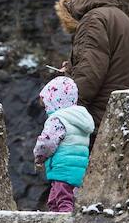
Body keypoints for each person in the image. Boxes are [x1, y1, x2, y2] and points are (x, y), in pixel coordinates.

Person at [54, 0, 129, 132]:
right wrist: (72, 68)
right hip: (123, 115)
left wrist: (68, 111)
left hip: (96, 120)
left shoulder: (94, 20)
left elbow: (89, 73)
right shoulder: (126, 21)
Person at [33, 76, 95, 213]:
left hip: (62, 168)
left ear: (53, 100)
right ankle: (58, 222)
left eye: (46, 104)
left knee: (62, 200)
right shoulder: (80, 119)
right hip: (78, 169)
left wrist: (39, 156)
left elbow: (47, 143)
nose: (45, 109)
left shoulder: (57, 119)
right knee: (55, 199)